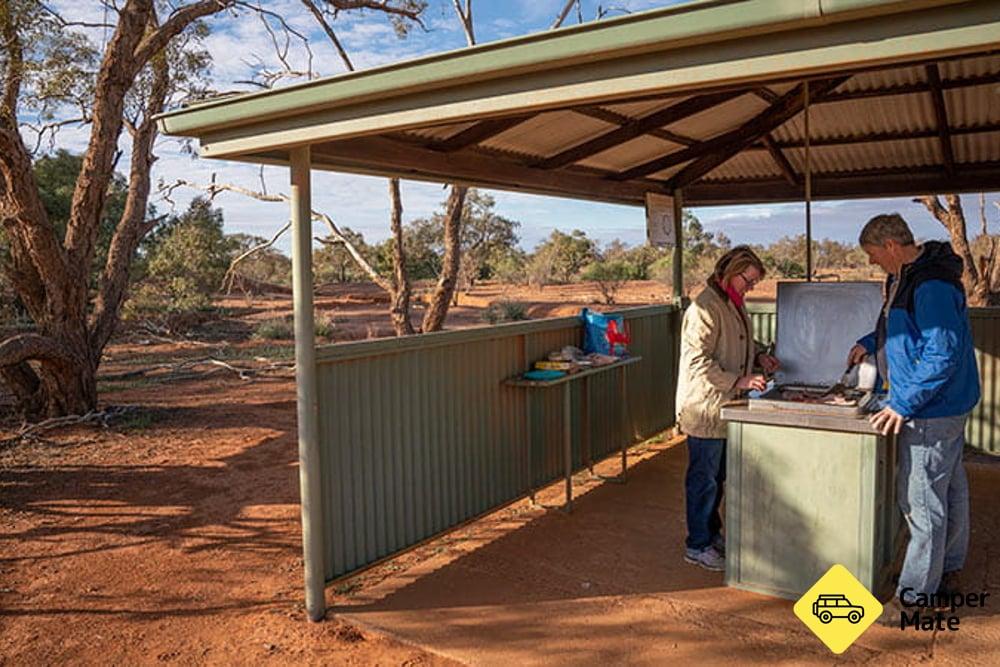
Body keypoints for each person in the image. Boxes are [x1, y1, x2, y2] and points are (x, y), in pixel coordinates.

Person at [846, 214, 980, 625]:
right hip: (945, 406)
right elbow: (903, 330)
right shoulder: (907, 277)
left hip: (930, 411)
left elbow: (942, 353)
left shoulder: (931, 284)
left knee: (921, 503)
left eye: (872, 255)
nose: (872, 264)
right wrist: (869, 344)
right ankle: (948, 568)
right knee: (949, 488)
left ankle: (914, 597)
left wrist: (903, 403)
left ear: (890, 245)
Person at [676, 246, 779, 571]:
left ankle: (710, 532)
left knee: (718, 477)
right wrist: (741, 380)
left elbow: (738, 342)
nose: (750, 288)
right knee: (703, 479)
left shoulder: (732, 304)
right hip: (705, 407)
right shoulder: (704, 308)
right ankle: (697, 544)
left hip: (725, 405)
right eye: (748, 281)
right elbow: (698, 363)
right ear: (731, 273)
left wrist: (760, 356)